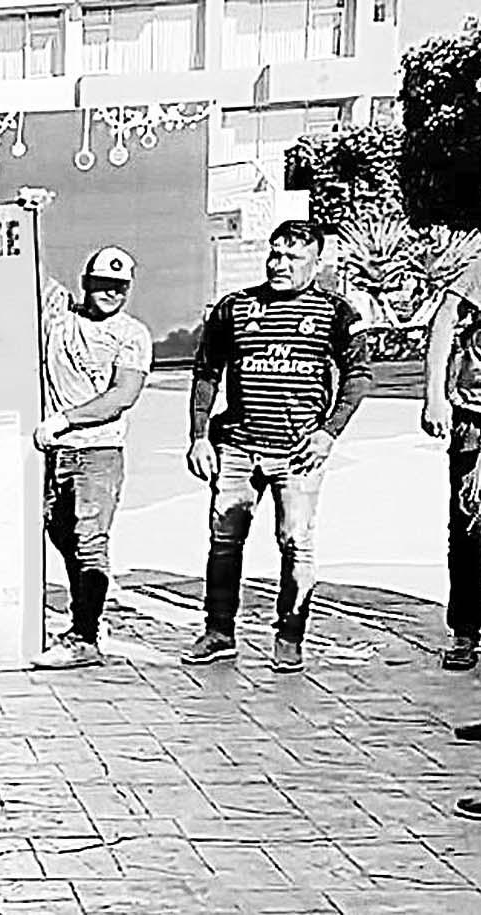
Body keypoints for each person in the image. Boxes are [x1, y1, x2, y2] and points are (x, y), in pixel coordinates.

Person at [183, 220, 373, 673]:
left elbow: (359, 374)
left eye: (293, 257)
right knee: (224, 541)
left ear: (316, 263)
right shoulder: (234, 307)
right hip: (237, 447)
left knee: (295, 542)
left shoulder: (336, 312)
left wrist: (330, 432)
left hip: (298, 451)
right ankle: (219, 631)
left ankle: (290, 635)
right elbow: (207, 371)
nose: (279, 264)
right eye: (275, 254)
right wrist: (198, 436)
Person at [29, 248, 153, 670]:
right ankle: (90, 618)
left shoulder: (132, 333)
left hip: (97, 451)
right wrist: (20, 218)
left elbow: (123, 395)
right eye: (102, 284)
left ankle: (84, 637)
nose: (111, 293)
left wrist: (66, 419)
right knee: (60, 534)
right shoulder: (59, 315)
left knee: (89, 540)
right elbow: (27, 260)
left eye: (120, 287)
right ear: (86, 282)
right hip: (53, 452)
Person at [421, 253, 481, 671]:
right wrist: (434, 395)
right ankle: (465, 629)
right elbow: (444, 320)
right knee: (469, 521)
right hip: (476, 415)